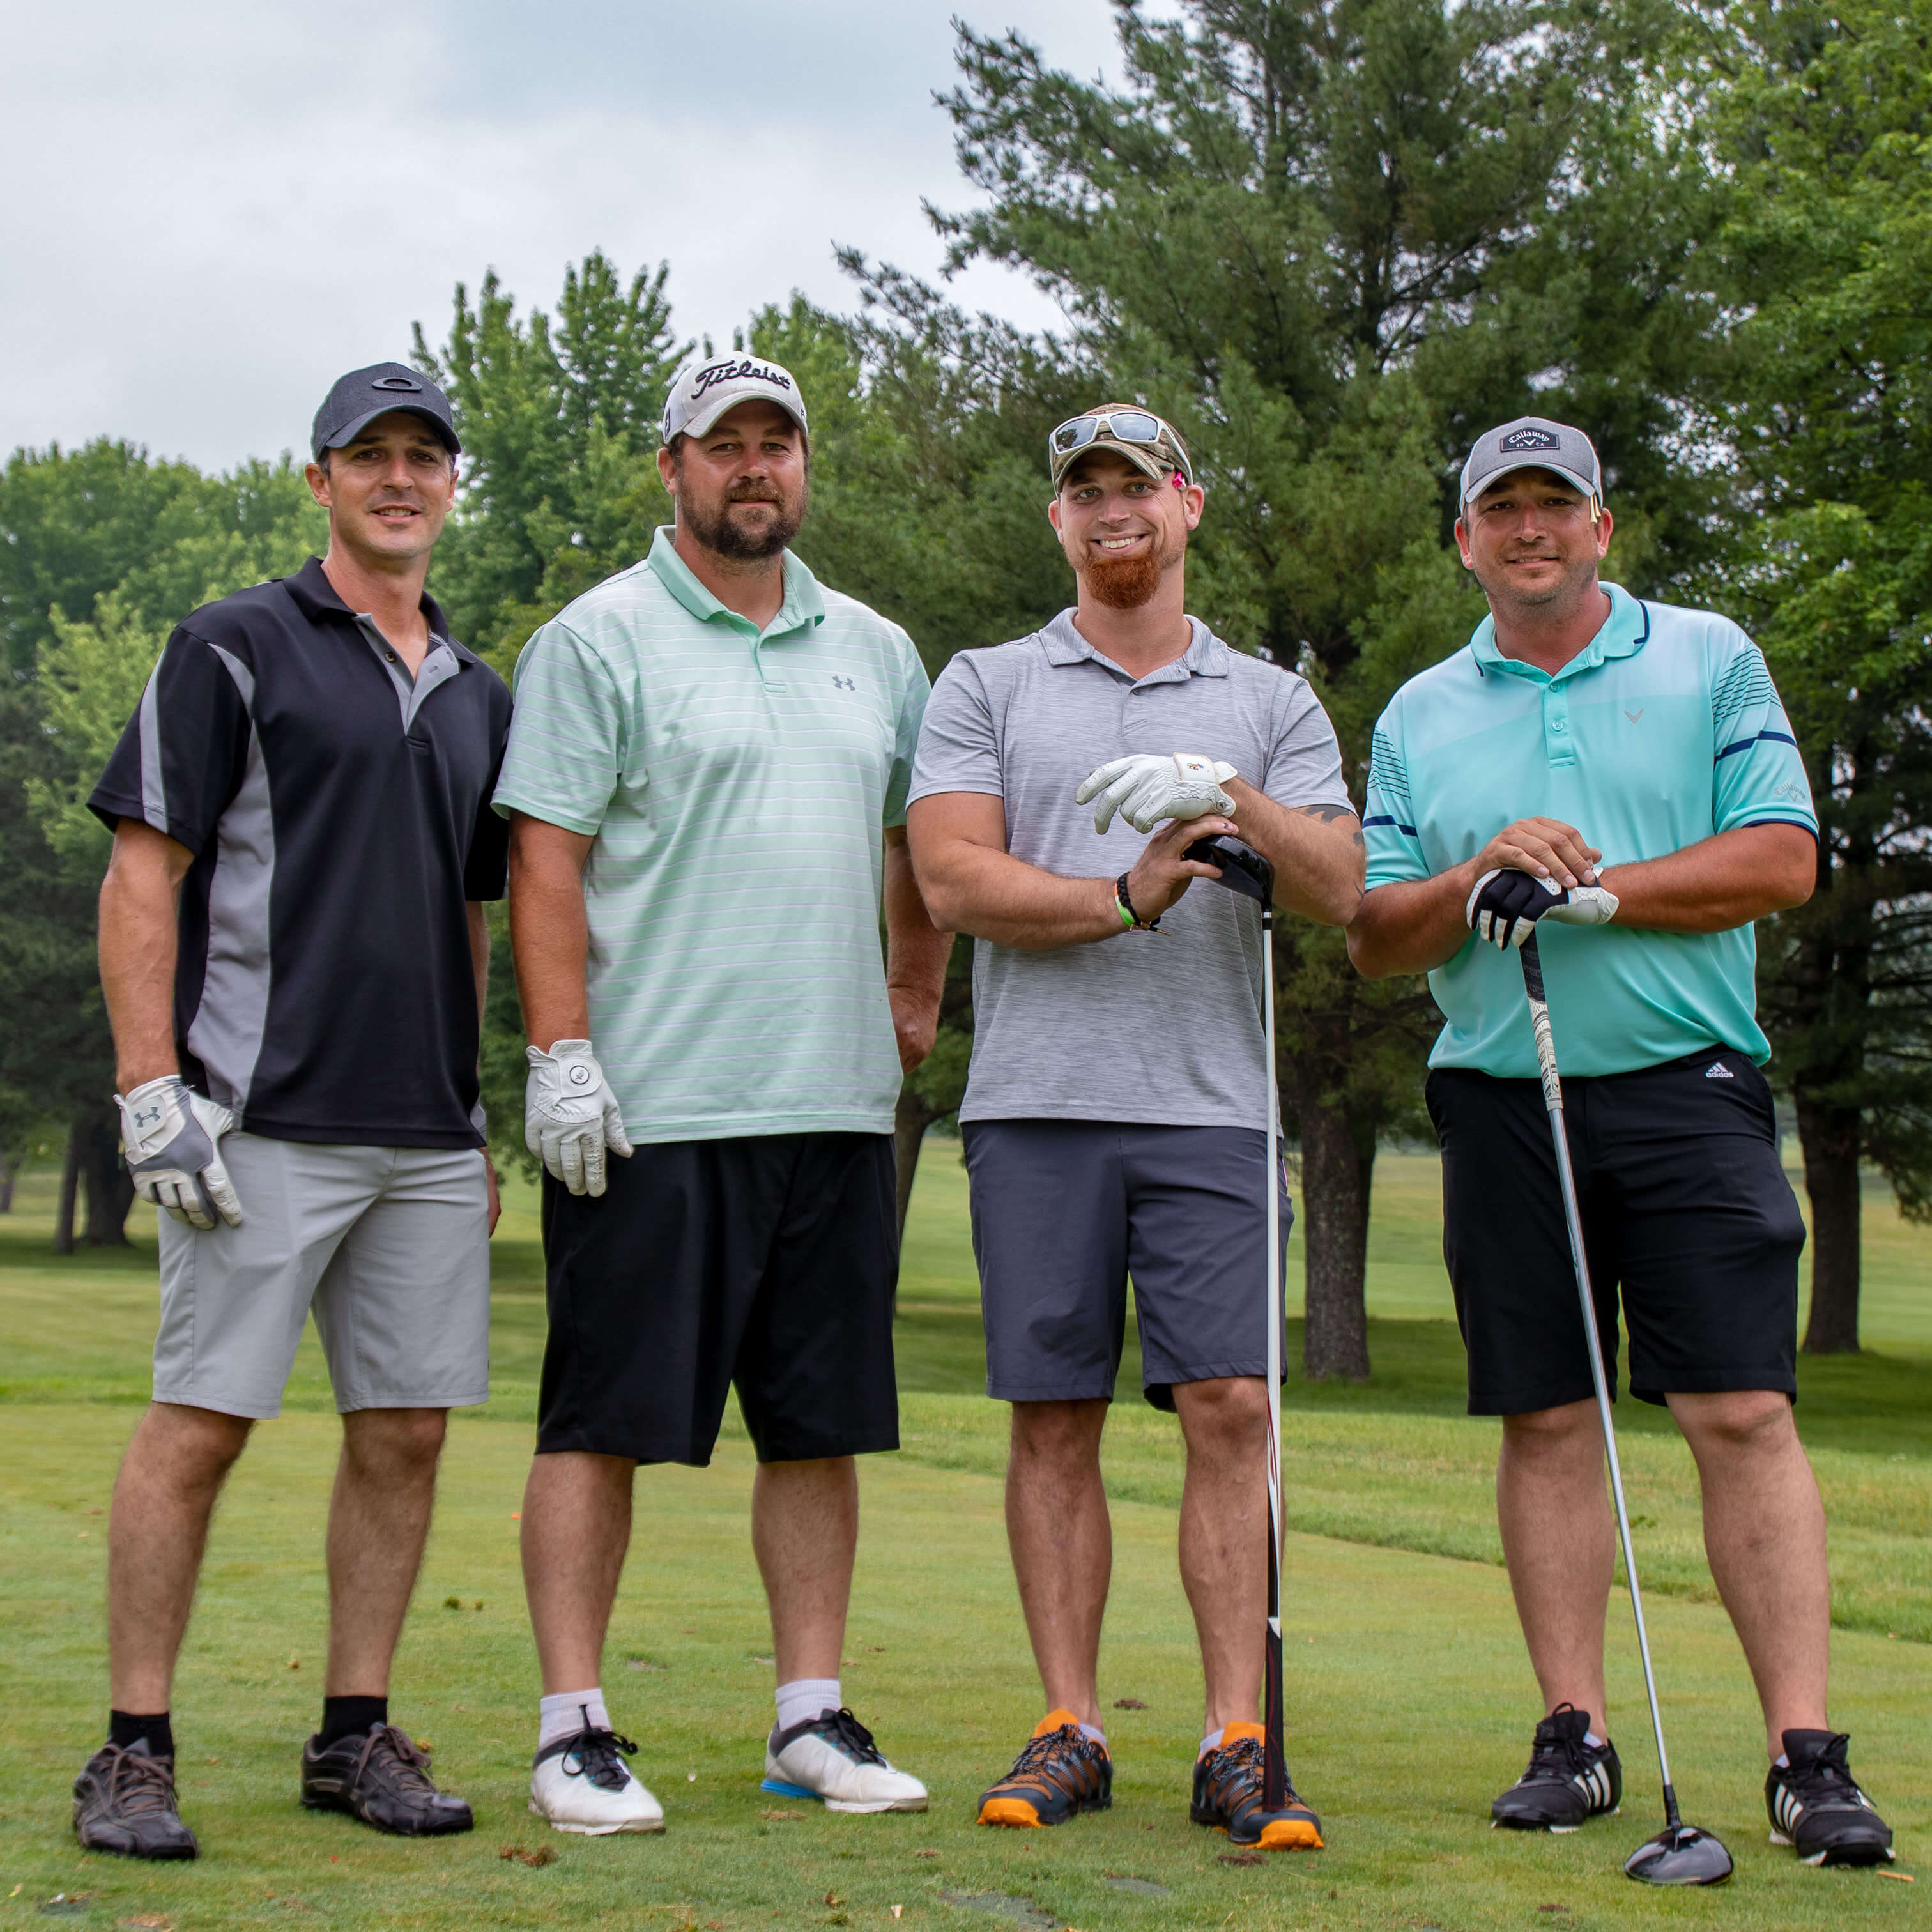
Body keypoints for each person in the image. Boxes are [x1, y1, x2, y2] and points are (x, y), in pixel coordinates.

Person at [1347, 417, 1896, 1867]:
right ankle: (1574, 1738)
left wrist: (1596, 895)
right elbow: (1377, 935)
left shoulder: (1710, 657)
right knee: (1547, 1416)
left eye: (1557, 504)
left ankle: (1804, 1757)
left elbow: (1783, 855)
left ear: (1602, 527)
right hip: (1502, 1096)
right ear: (1465, 541)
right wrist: (1478, 877)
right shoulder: (1417, 714)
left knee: (1741, 1410)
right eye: (1502, 509)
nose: (1529, 528)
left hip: (1686, 1088)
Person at [495, 353, 950, 1834]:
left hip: (832, 1105)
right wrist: (560, 1052)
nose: (755, 466)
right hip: (656, 1106)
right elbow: (546, 857)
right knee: (599, 1423)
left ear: (804, 464)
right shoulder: (596, 638)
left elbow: (920, 837)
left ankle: (809, 1716)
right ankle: (572, 1731)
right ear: (673, 465)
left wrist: (915, 991)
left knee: (817, 1428)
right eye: (724, 444)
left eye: (777, 443)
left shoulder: (877, 648)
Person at [906, 406, 1363, 1848]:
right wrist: (1123, 895)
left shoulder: (1271, 701)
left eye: (1139, 484)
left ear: (1189, 504)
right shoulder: (987, 682)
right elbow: (952, 879)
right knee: (1054, 1417)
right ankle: (1072, 1725)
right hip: (1038, 1102)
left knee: (1232, 1408)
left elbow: (1343, 886)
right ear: (1059, 519)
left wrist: (1229, 800)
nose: (1113, 508)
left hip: (1212, 1108)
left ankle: (1237, 1736)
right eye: (1085, 489)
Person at [75, 363, 510, 1858]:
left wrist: (472, 1114)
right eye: (368, 455)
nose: (400, 478)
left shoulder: (480, 689)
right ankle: (132, 1749)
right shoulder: (234, 645)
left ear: (451, 484)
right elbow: (144, 872)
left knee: (406, 1436)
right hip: (254, 1120)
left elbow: (469, 915)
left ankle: (352, 1736)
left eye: (424, 456)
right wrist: (150, 1087)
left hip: (424, 1137)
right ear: (319, 479)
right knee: (200, 1428)